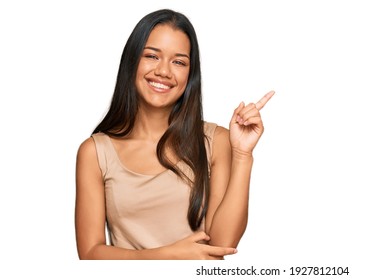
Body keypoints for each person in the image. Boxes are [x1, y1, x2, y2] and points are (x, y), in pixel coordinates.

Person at [75, 8, 273, 260]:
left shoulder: (215, 141)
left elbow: (222, 243)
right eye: (152, 56)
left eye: (178, 62)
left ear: (190, 75)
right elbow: (90, 253)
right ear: (131, 61)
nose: (164, 72)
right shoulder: (95, 152)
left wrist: (243, 155)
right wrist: (167, 255)